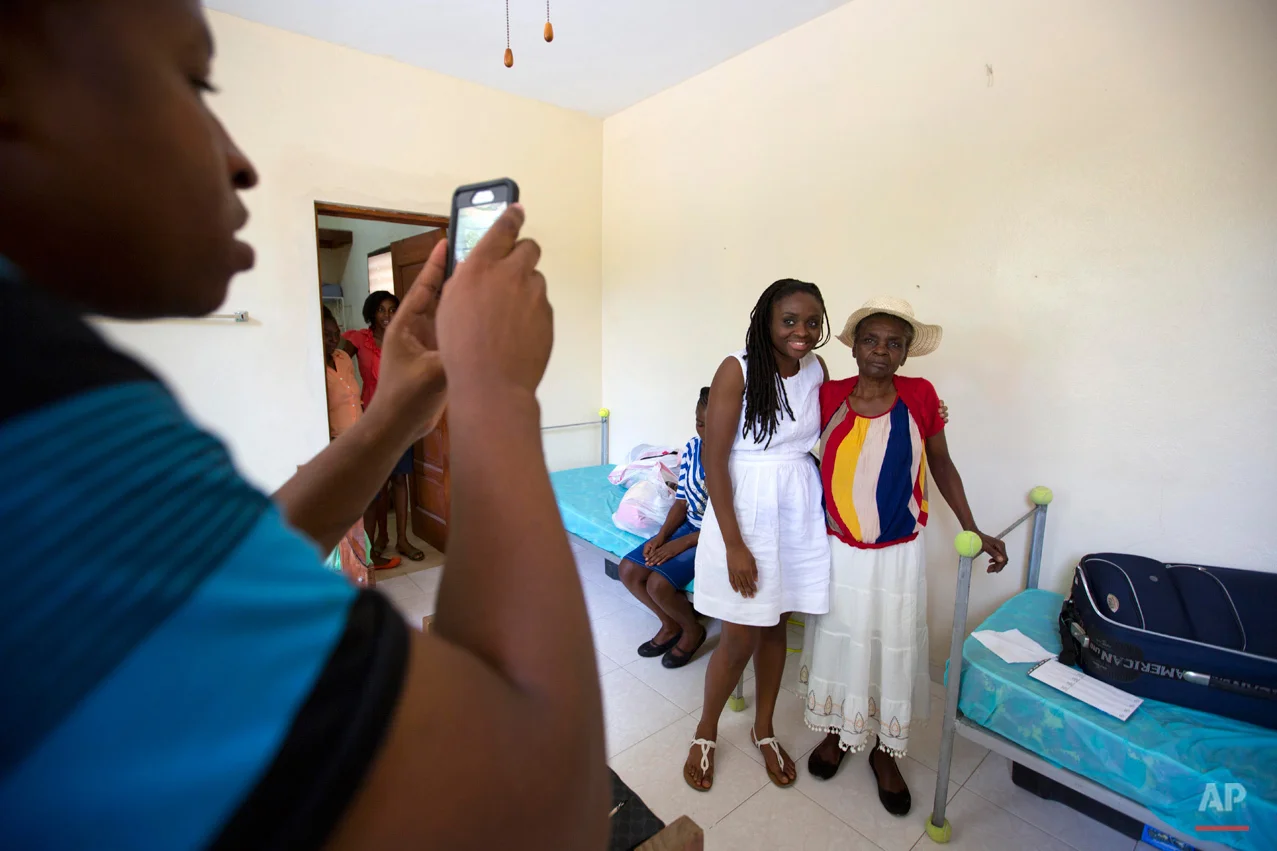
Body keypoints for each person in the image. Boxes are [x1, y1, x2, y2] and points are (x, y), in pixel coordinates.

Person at [0, 4, 607, 850]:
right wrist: (496, 392)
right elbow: (539, 813)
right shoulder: (33, 410)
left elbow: (203, 578)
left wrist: (393, 415)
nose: (242, 162)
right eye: (193, 80)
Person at [800, 297, 1007, 816]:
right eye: (871, 339)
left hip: (898, 550)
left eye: (894, 343)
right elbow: (796, 459)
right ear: (855, 346)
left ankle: (882, 750)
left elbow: (941, 462)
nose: (881, 350)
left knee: (890, 641)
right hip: (838, 547)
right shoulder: (828, 395)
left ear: (906, 354)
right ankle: (834, 732)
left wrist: (973, 526)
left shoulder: (920, 395)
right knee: (839, 633)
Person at [683, 279, 834, 792]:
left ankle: (763, 729)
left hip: (795, 507)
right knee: (739, 633)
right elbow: (715, 459)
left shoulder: (815, 368)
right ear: (767, 319)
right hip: (745, 510)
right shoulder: (738, 369)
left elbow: (832, 429)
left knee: (776, 625)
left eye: (812, 322)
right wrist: (733, 544)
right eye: (790, 320)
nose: (802, 332)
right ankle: (706, 730)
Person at [618, 387, 709, 669]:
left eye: (713, 423)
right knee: (629, 570)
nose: (705, 430)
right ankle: (670, 624)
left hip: (717, 537)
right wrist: (662, 536)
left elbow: (737, 522)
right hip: (690, 525)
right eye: (700, 422)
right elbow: (682, 501)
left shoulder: (740, 459)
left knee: (659, 584)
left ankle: (693, 631)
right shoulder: (693, 448)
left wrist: (679, 544)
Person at [340, 291, 424, 562]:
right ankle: (377, 540)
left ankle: (402, 539)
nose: (387, 316)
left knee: (401, 479)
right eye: (381, 310)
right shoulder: (358, 340)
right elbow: (334, 364)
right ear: (371, 313)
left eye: (392, 310)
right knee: (377, 485)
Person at [323, 306, 399, 575]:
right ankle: (344, 565)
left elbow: (355, 397)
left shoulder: (343, 357)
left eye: (335, 333)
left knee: (368, 501)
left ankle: (365, 557)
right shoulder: (315, 366)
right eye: (327, 334)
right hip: (335, 444)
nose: (333, 339)